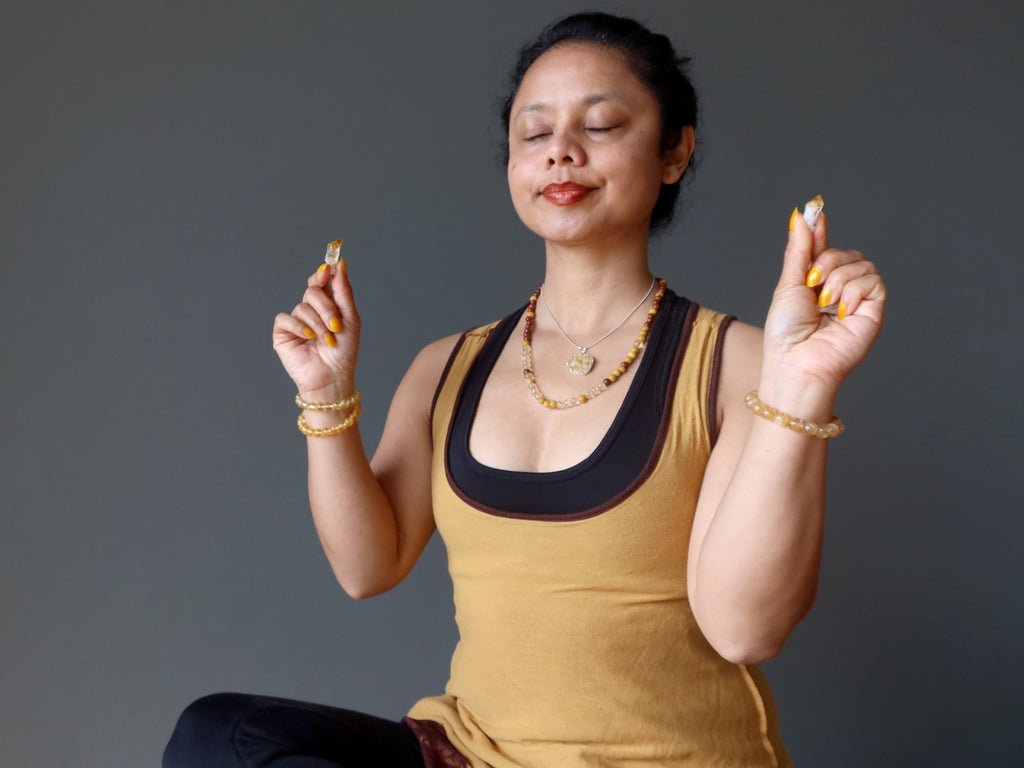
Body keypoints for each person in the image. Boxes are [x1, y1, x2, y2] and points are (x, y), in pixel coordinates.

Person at [163, 11, 885, 768]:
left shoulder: (735, 363)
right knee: (222, 737)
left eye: (601, 124)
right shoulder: (447, 366)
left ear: (674, 151)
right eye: (534, 134)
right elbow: (367, 568)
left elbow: (746, 631)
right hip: (472, 753)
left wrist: (801, 389)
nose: (561, 153)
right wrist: (325, 395)